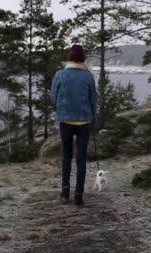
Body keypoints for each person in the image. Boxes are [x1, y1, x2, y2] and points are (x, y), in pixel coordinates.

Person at [50, 45, 98, 206]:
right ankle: (78, 195)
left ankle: (64, 193)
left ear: (69, 58)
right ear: (83, 59)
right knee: (81, 159)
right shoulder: (88, 76)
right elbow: (93, 100)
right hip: (84, 121)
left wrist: (60, 109)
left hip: (65, 121)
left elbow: (53, 97)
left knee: (66, 156)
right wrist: (92, 116)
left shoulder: (60, 74)